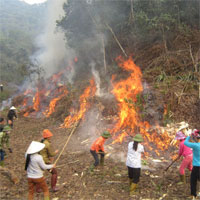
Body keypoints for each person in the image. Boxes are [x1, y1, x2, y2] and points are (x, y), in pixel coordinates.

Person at [184, 130, 200, 200]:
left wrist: (188, 136)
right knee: (193, 180)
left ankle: (194, 194)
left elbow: (185, 143)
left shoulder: (195, 145)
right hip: (196, 167)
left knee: (193, 181)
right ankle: (193, 194)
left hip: (197, 166)